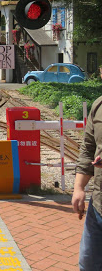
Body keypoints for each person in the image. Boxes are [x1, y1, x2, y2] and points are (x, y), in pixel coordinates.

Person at [72, 91, 102, 270]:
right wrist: (79, 187)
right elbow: (88, 148)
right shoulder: (99, 105)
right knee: (88, 263)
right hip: (98, 204)